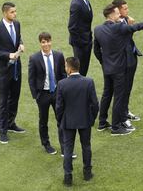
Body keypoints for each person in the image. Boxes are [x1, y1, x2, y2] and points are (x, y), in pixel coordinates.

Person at [94, 4, 143, 135]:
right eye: (117, 13)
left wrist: (104, 62)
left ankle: (102, 123)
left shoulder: (97, 29)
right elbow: (140, 26)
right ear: (111, 15)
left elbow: (96, 49)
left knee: (107, 94)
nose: (120, 15)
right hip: (119, 69)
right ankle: (116, 127)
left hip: (107, 68)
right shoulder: (119, 27)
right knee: (119, 97)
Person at [56, 57, 99, 187]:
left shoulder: (62, 84)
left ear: (69, 68)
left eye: (65, 66)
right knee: (86, 146)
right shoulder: (88, 82)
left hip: (68, 121)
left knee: (68, 149)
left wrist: (61, 120)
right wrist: (91, 119)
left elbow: (59, 107)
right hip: (85, 120)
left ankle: (68, 177)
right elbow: (95, 104)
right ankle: (87, 173)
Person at [0, 2, 26, 144]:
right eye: (12, 12)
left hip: (16, 67)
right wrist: (8, 55)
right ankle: (2, 130)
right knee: (4, 100)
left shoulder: (17, 24)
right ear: (5, 13)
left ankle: (11, 123)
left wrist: (20, 43)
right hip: (3, 69)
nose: (15, 14)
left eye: (15, 11)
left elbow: (17, 37)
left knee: (15, 96)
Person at [28, 32, 67, 155]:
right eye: (43, 42)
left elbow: (63, 74)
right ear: (40, 43)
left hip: (56, 93)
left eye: (48, 41)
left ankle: (64, 147)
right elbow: (31, 78)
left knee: (61, 120)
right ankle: (46, 144)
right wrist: (36, 96)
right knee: (43, 121)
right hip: (43, 95)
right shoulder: (34, 58)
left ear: (51, 41)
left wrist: (62, 91)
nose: (46, 44)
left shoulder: (59, 55)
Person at [111, 0, 141, 122]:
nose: (127, 10)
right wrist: (131, 27)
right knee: (122, 90)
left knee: (128, 88)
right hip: (123, 61)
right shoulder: (115, 25)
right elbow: (122, 41)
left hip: (131, 58)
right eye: (125, 8)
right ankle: (122, 117)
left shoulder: (124, 20)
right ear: (117, 10)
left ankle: (125, 111)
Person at [68, 0, 93, 76]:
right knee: (80, 72)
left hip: (86, 41)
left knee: (84, 70)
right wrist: (82, 43)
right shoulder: (76, 4)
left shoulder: (84, 0)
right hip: (81, 44)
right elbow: (72, 27)